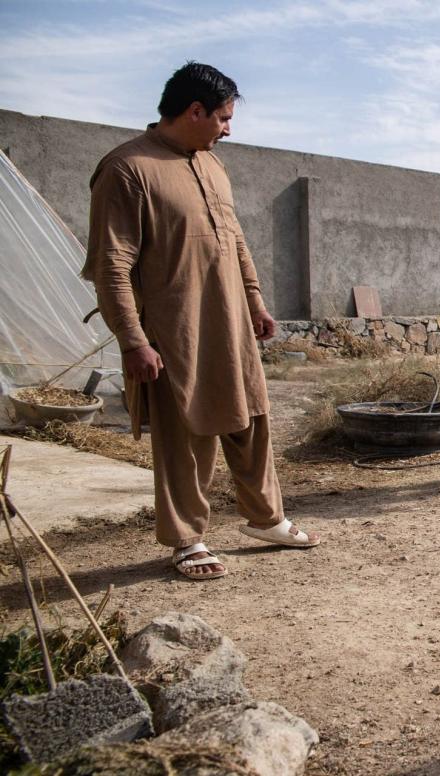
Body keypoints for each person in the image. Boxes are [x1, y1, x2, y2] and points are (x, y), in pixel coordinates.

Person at [83, 62, 319, 580]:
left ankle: (266, 518)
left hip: (231, 318)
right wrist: (133, 341)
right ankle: (187, 538)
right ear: (194, 111)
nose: (228, 129)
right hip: (173, 330)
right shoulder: (126, 169)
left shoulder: (212, 165)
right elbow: (111, 264)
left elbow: (233, 238)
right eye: (223, 118)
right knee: (186, 433)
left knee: (252, 417)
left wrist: (254, 299)